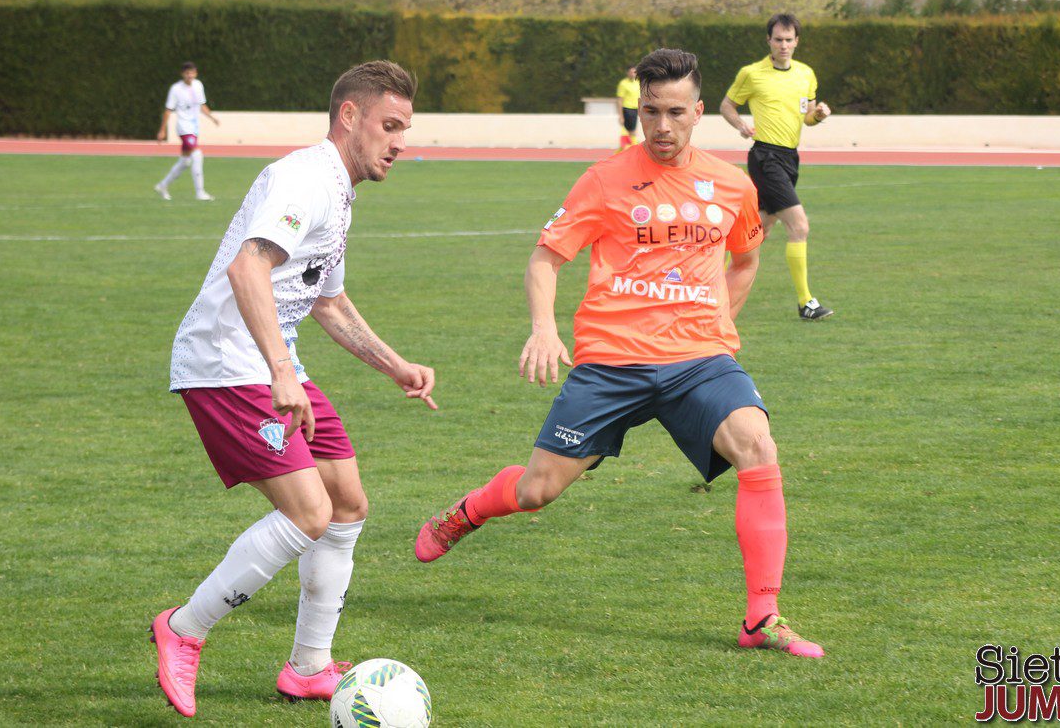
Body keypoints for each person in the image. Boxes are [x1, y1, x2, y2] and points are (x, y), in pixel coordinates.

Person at [415, 48, 824, 660]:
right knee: (536, 491)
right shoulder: (604, 179)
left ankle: (761, 616)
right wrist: (543, 328)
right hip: (611, 362)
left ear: (699, 112)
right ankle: (468, 511)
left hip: (699, 360)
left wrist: (718, 323)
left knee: (758, 445)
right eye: (651, 111)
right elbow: (545, 259)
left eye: (675, 113)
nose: (661, 126)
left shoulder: (734, 185)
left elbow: (745, 258)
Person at [150, 61, 439, 718]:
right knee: (309, 512)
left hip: (272, 363)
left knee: (347, 504)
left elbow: (327, 301)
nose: (400, 142)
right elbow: (247, 267)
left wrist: (394, 364)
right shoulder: (304, 179)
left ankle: (308, 666)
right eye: (390, 125)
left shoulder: (338, 191)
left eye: (405, 129)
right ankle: (183, 629)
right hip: (226, 363)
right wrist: (282, 371)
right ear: (349, 116)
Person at [720, 13, 834, 321]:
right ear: (768, 40)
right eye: (778, 39)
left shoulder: (806, 74)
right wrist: (741, 125)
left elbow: (808, 116)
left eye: (789, 40)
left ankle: (711, 285)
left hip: (790, 158)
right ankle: (806, 302)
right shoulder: (752, 73)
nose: (783, 45)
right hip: (765, 157)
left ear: (797, 41)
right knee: (799, 226)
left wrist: (819, 115)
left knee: (758, 230)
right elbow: (727, 105)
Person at [155, 62, 220, 201]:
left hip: (194, 128)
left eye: (192, 72)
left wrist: (212, 118)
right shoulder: (176, 89)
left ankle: (162, 185)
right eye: (187, 72)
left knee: (185, 161)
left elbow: (201, 105)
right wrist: (162, 130)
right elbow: (168, 110)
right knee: (197, 154)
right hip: (184, 128)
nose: (189, 75)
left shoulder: (198, 85)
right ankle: (200, 193)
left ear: (195, 73)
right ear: (182, 74)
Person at [616, 65, 641, 149]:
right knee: (631, 131)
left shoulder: (638, 82)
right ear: (627, 73)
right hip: (627, 109)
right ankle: (633, 147)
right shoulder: (623, 83)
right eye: (631, 72)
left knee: (631, 131)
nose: (633, 74)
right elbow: (620, 100)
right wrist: (621, 116)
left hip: (636, 109)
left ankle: (625, 149)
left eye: (634, 72)